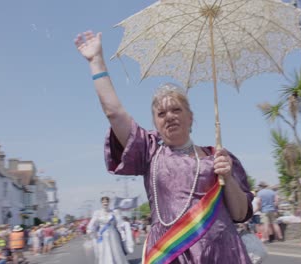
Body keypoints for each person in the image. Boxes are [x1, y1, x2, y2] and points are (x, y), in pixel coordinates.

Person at [75, 30, 254, 263]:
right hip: (173, 255)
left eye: (176, 110)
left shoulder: (218, 157)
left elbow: (240, 214)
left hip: (223, 254)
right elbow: (114, 113)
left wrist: (228, 177)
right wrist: (96, 61)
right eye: (161, 113)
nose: (169, 116)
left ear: (191, 118)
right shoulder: (150, 152)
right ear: (155, 124)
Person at [86, 197, 128, 264]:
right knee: (104, 251)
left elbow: (118, 224)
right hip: (102, 235)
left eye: (106, 202)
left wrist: (122, 232)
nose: (105, 203)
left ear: (109, 203)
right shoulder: (97, 213)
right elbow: (92, 223)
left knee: (115, 250)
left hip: (113, 235)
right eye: (103, 202)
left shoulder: (113, 212)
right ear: (101, 203)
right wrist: (90, 230)